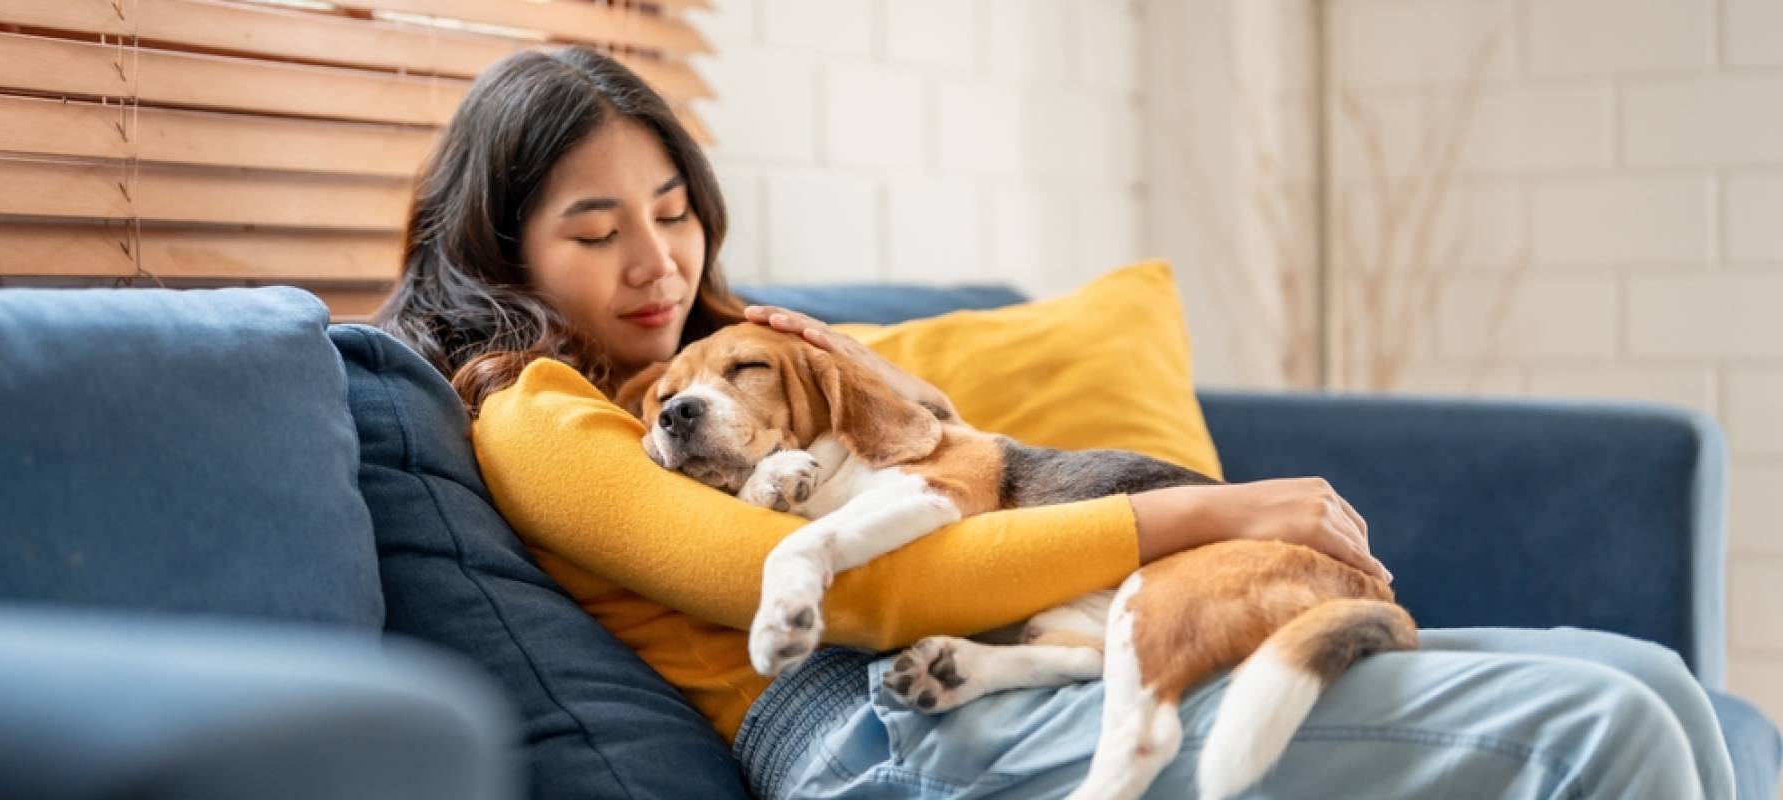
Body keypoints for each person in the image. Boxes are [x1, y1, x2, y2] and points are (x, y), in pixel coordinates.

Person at [376, 46, 1735, 799]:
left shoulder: (725, 355)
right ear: (502, 250)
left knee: (1661, 685)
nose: (655, 264)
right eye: (597, 230)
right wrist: (1211, 508)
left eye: (673, 215)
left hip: (1021, 659)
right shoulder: (539, 415)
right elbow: (833, 591)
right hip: (874, 727)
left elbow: (929, 449)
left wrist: (845, 363)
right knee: (1594, 733)